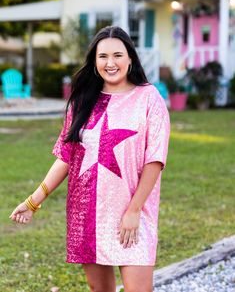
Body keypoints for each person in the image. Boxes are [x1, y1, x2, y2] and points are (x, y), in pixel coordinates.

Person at [9, 26, 170, 292]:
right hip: (88, 213)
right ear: (94, 62)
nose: (110, 63)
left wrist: (134, 211)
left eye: (117, 55)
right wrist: (33, 201)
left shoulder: (149, 99)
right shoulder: (82, 101)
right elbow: (66, 157)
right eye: (102, 56)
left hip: (132, 213)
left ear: (130, 58)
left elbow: (154, 160)